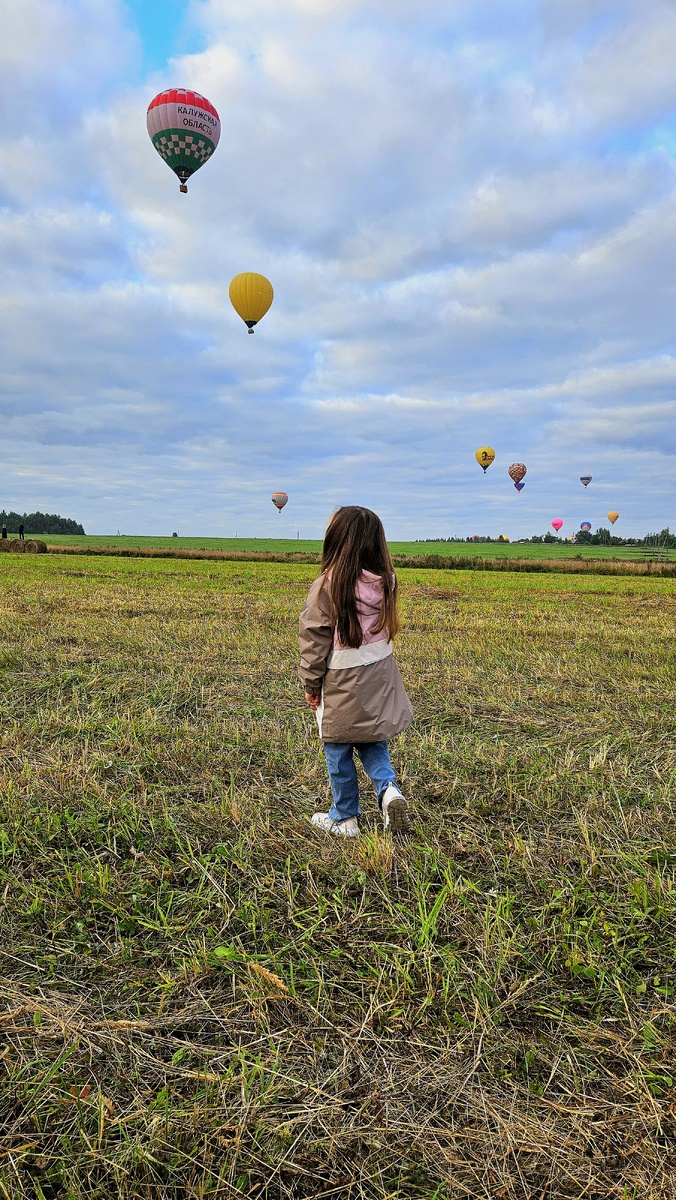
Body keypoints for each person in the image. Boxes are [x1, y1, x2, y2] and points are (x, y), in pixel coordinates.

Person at [299, 506, 413, 837]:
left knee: (337, 747)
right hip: (379, 676)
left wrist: (311, 684)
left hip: (340, 679)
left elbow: (314, 639)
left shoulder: (328, 585)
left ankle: (345, 818)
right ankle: (389, 792)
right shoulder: (386, 582)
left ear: (336, 540)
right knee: (373, 740)